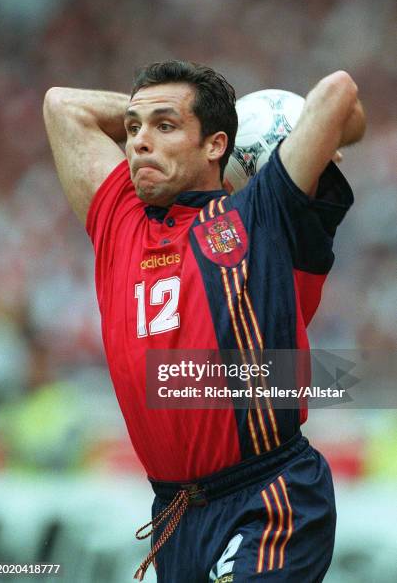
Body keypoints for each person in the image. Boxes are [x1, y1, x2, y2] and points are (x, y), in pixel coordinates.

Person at [43, 60, 365, 582]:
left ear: (216, 145)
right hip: (176, 514)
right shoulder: (120, 222)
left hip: (268, 499)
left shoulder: (260, 215)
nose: (139, 142)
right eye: (131, 129)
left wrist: (235, 119)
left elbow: (339, 94)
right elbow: (62, 104)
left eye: (164, 127)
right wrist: (154, 115)